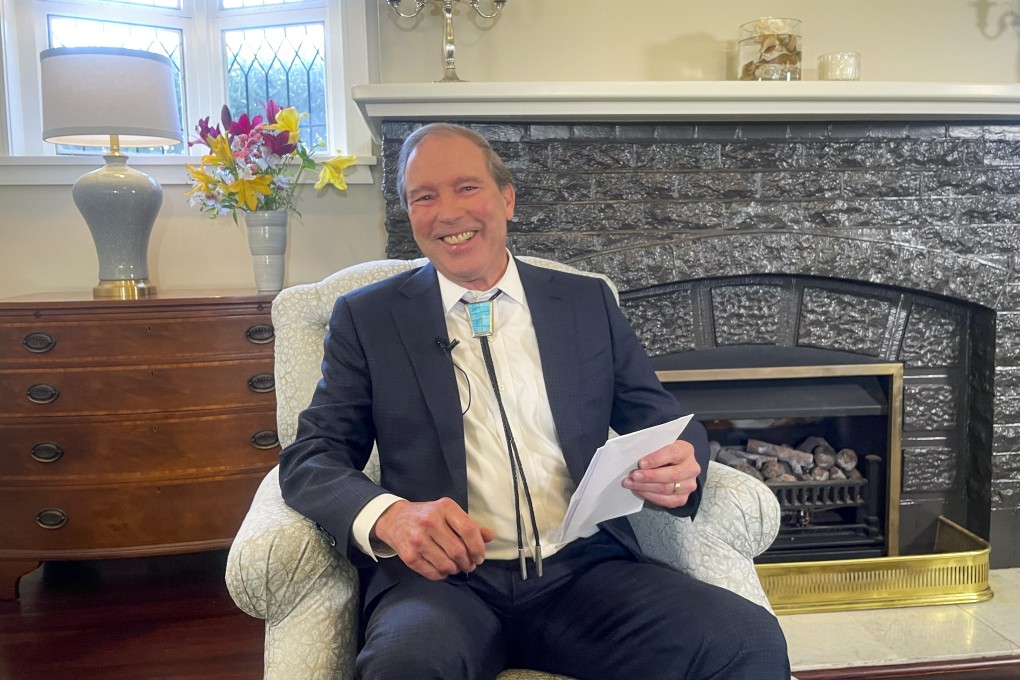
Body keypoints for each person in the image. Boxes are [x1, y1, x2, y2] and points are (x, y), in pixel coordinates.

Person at [279, 122, 789, 679]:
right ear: (410, 215)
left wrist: (683, 460)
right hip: (442, 586)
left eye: (467, 187)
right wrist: (392, 516)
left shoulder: (585, 301)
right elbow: (312, 457)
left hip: (586, 575)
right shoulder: (367, 318)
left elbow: (664, 419)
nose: (448, 212)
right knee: (404, 667)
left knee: (747, 640)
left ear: (507, 198)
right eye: (424, 197)